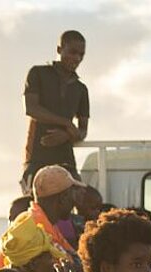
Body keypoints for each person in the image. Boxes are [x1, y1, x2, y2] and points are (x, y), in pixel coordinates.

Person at [20, 30, 89, 193]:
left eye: (81, 54)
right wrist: (65, 123)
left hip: (65, 158)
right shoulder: (37, 73)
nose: (77, 58)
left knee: (77, 198)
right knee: (33, 204)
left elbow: (83, 131)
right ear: (59, 49)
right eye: (73, 52)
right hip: (37, 155)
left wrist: (67, 135)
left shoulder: (81, 89)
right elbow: (31, 109)